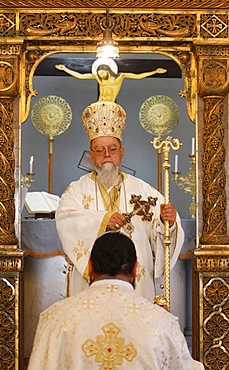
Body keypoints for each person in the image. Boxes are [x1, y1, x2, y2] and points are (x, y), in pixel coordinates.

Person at [55, 97, 184, 301]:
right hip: (91, 285)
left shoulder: (145, 192)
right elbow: (66, 220)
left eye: (112, 149)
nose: (106, 154)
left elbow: (164, 233)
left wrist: (168, 222)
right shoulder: (75, 191)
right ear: (91, 154)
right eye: (99, 150)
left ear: (121, 153)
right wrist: (103, 220)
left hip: (136, 284)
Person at [27, 232, 204, 370]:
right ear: (135, 269)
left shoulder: (54, 318)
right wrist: (161, 320)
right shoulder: (161, 322)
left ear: (89, 267)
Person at [55, 58, 167, 102]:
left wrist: (155, 71)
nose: (101, 76)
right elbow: (80, 76)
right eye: (99, 74)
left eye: (102, 73)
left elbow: (138, 76)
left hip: (112, 104)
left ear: (107, 70)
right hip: (99, 104)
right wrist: (65, 69)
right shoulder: (98, 78)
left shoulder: (120, 76)